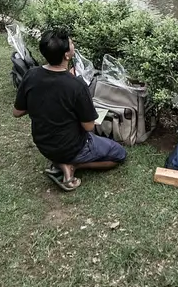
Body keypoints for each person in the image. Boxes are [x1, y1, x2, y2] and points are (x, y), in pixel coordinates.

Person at [11, 28, 126, 191]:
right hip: (73, 147)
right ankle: (74, 165)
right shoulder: (77, 85)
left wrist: (44, 102)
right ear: (66, 55)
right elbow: (88, 127)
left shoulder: (31, 75)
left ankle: (62, 162)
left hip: (44, 145)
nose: (73, 44)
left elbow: (17, 112)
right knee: (119, 154)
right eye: (71, 43)